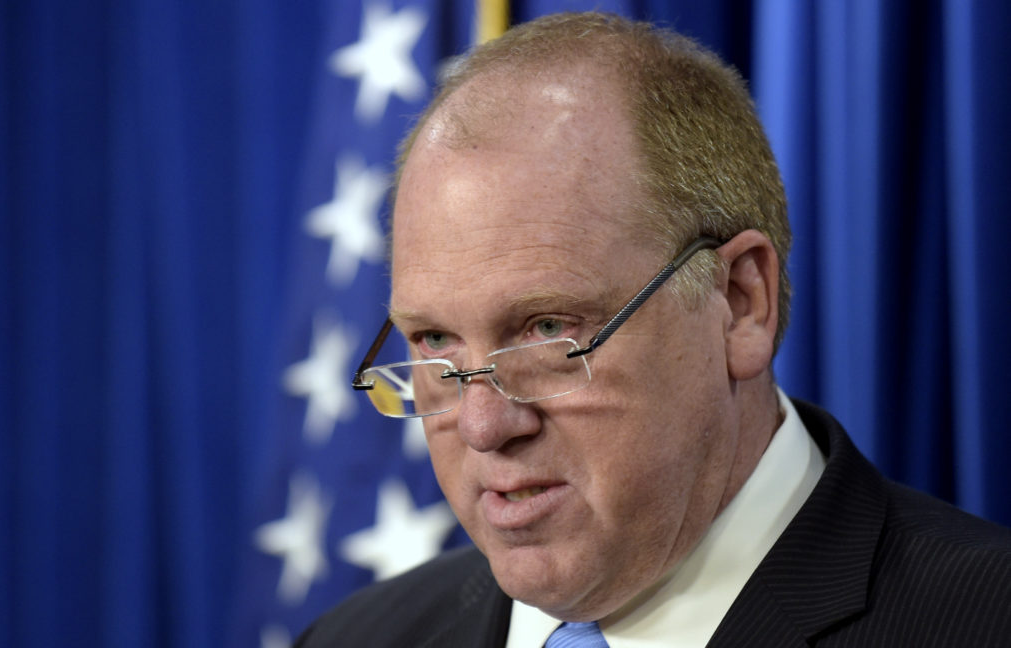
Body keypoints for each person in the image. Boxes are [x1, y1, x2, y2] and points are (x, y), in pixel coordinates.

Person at [296, 12, 1011, 647]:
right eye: (435, 343)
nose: (483, 424)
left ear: (739, 303)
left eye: (548, 329)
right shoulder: (356, 636)